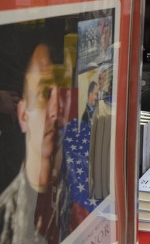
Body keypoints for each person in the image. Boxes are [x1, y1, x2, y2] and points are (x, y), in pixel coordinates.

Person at [0, 44, 84, 243]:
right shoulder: (7, 219)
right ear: (23, 114)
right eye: (45, 95)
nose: (54, 112)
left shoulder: (76, 193)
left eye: (63, 97)